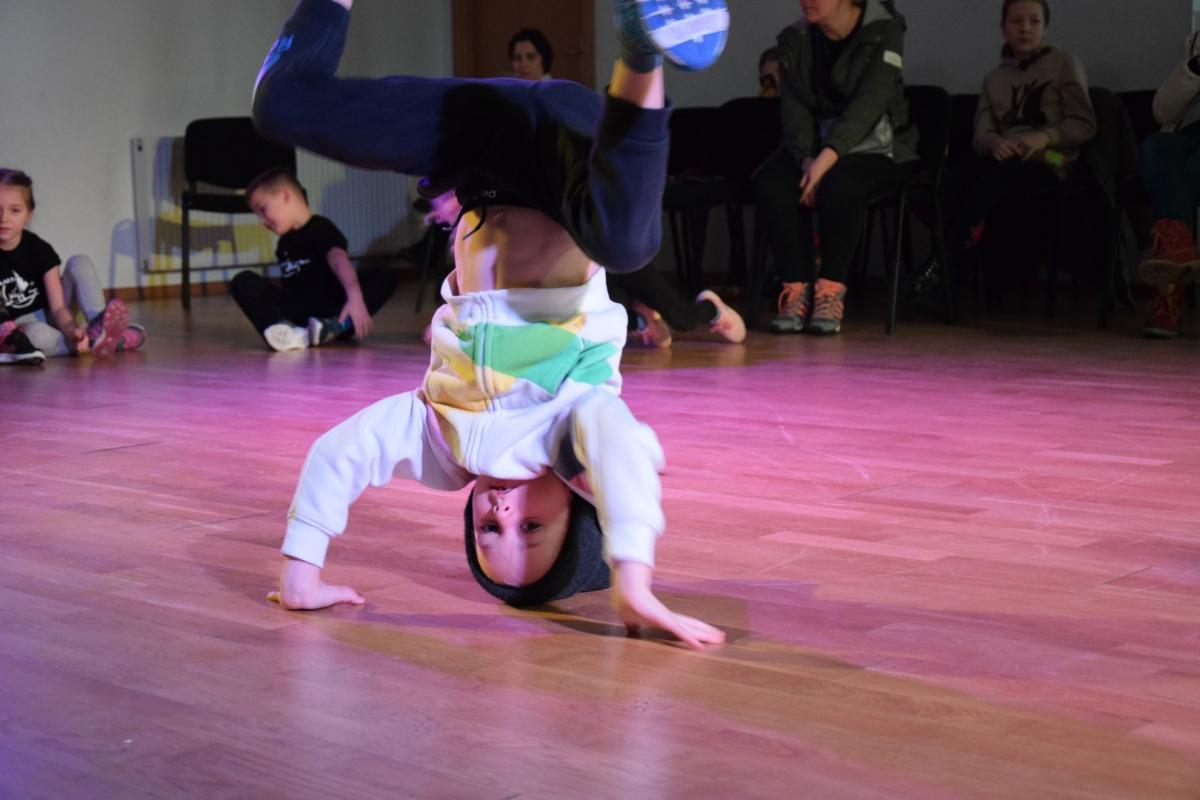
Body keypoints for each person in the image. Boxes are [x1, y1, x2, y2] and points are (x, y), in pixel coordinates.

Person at [255, 0, 729, 649]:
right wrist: (632, 579)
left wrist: (301, 571)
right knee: (626, 243)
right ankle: (641, 47)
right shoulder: (573, 431)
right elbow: (623, 462)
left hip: (478, 150)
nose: (503, 512)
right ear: (579, 502)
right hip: (565, 156)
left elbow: (339, 455)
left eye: (488, 532)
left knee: (281, 109)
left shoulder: (440, 442)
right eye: (529, 529)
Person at [754, 0, 918, 335]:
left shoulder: (884, 29)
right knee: (773, 182)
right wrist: (806, 160)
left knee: (840, 184)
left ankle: (829, 291)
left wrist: (824, 162)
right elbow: (794, 112)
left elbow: (869, 105)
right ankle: (795, 290)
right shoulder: (794, 40)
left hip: (877, 146)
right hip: (815, 148)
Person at [946, 0, 1096, 289]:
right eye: (1016, 21)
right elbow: (981, 133)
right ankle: (946, 263)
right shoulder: (994, 79)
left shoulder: (1063, 64)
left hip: (1054, 159)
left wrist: (1046, 136)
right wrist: (994, 142)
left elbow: (1084, 123)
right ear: (1004, 28)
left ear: (1045, 28)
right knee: (957, 180)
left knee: (994, 184)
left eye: (1034, 21)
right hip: (1008, 154)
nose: (1025, 28)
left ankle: (950, 269)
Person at [229, 168, 399, 351]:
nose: (261, 221)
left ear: (285, 196)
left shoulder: (320, 227)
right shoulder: (283, 243)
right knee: (243, 280)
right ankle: (284, 329)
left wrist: (355, 298)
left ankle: (333, 326)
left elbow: (338, 260)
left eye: (263, 210)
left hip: (331, 310)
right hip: (296, 315)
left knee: (385, 275)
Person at [0, 168, 144, 360]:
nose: (4, 218)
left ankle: (97, 325)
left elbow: (59, 307)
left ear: (29, 214)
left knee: (79, 262)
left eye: (15, 210)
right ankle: (98, 342)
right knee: (35, 335)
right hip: (19, 327)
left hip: (57, 314)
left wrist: (71, 329)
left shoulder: (39, 249)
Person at [1137, 31, 1200, 338]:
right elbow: (1162, 111)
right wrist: (1195, 68)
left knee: (1177, 176)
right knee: (1157, 145)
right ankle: (1178, 254)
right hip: (1187, 139)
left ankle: (1168, 295)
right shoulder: (1196, 43)